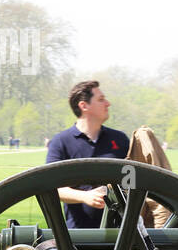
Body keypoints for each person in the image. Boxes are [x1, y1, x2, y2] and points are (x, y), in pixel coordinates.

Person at [45, 80, 129, 227]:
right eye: (101, 99)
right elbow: (52, 187)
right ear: (84, 105)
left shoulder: (120, 139)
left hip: (120, 234)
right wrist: (85, 197)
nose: (107, 103)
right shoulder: (61, 141)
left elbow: (133, 181)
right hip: (76, 236)